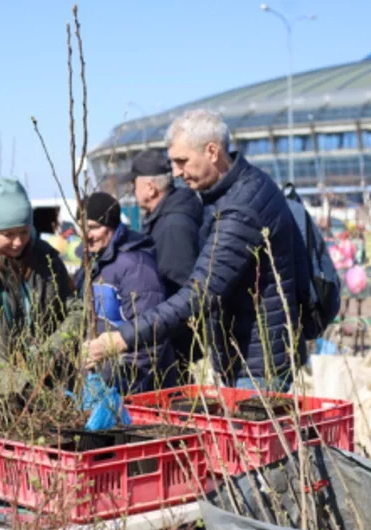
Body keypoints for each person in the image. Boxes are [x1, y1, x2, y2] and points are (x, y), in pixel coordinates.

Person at [85, 109, 307, 391]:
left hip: (257, 363)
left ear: (212, 151)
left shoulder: (241, 207)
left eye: (182, 161)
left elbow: (200, 292)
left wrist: (122, 338)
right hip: (244, 354)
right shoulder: (229, 192)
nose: (176, 172)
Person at [0, 176, 83, 416]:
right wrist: (18, 383)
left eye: (24, 231)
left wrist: (51, 350)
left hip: (46, 394)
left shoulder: (45, 258)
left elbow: (77, 312)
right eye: (8, 234)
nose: (18, 242)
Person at [75, 192, 175, 395]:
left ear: (111, 226)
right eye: (82, 226)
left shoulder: (135, 266)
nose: (86, 234)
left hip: (137, 389)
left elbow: (150, 336)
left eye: (94, 227)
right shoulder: (90, 264)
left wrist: (125, 387)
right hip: (103, 383)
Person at [126, 148, 204, 379]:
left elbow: (179, 288)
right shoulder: (166, 217)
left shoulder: (172, 225)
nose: (132, 189)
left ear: (150, 187)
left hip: (180, 346)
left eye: (134, 183)